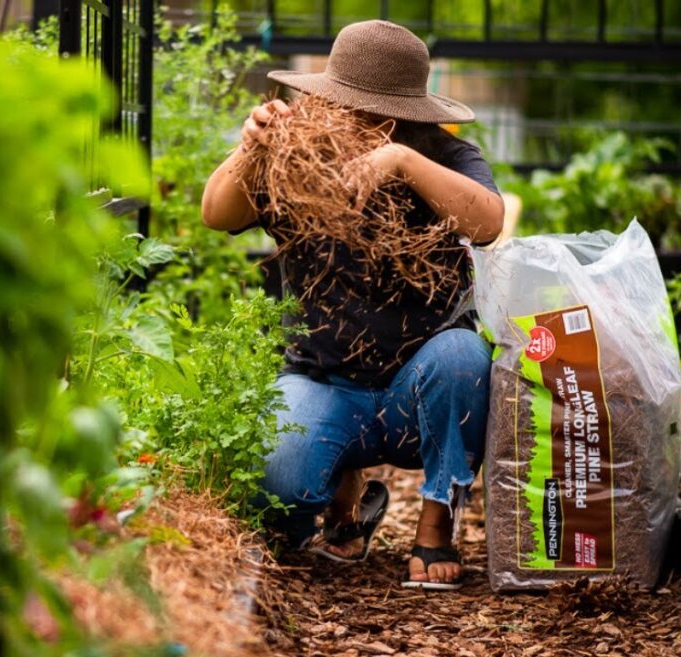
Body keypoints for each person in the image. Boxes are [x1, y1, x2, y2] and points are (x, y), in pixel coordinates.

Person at [200, 20, 502, 589]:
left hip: (418, 388)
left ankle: (434, 527)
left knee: (464, 356)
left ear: (406, 116)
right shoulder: (298, 150)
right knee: (280, 498)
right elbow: (218, 214)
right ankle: (345, 493)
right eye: (348, 107)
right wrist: (249, 149)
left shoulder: (442, 154)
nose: (357, 122)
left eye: (374, 114)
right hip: (324, 379)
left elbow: (487, 222)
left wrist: (402, 164)